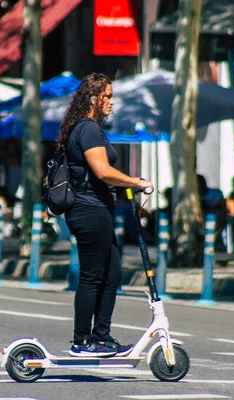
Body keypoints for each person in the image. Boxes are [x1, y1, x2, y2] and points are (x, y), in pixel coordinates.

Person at [57, 73, 154, 357]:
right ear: (93, 98)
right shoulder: (87, 129)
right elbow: (102, 171)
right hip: (88, 209)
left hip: (96, 208)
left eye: (112, 96)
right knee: (92, 275)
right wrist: (136, 181)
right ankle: (82, 340)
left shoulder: (86, 128)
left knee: (111, 273)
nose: (111, 102)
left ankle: (101, 336)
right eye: (107, 96)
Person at [197, 174, 227, 251]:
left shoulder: (215, 193)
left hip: (216, 219)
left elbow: (222, 207)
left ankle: (218, 243)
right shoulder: (194, 196)